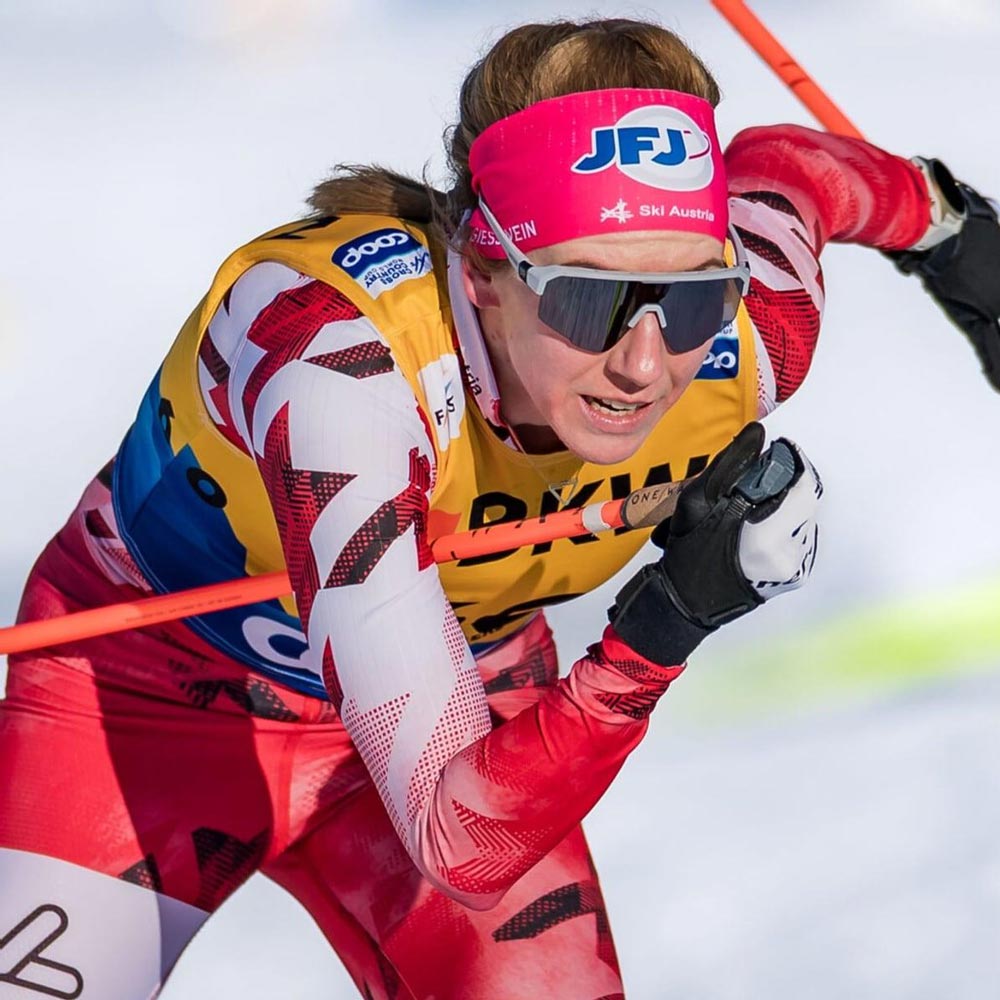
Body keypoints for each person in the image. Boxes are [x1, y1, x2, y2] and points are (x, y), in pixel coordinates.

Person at [0, 16, 995, 1000]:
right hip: (152, 696)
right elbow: (454, 837)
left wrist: (953, 233)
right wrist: (660, 628)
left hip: (465, 692)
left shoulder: (746, 341)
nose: (644, 364)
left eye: (690, 301)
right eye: (584, 301)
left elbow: (795, 177)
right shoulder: (343, 373)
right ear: (480, 275)